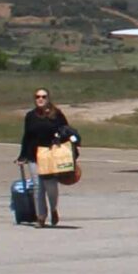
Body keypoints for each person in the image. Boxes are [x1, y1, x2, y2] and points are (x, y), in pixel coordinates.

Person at [17, 87, 79, 226]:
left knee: (50, 186)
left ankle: (53, 209)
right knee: (38, 186)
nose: (40, 99)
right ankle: (41, 216)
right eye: (37, 96)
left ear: (48, 99)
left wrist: (60, 139)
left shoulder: (56, 115)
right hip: (34, 155)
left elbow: (66, 131)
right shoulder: (30, 116)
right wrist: (22, 156)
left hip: (51, 155)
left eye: (43, 97)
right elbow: (27, 136)